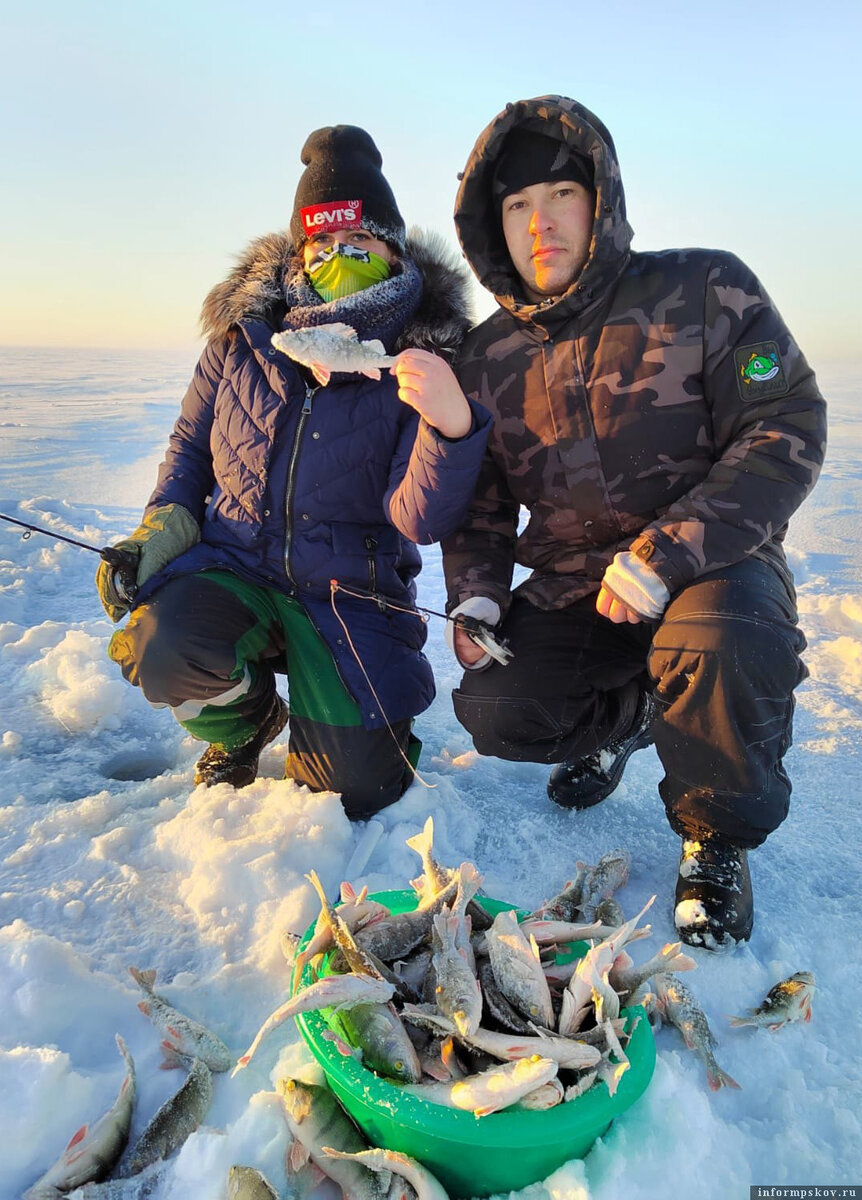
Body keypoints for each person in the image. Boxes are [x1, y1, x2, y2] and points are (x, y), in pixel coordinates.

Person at [442, 96, 826, 948]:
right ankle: (638, 721)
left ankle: (713, 840)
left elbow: (786, 423)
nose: (538, 223)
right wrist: (475, 597)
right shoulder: (486, 355)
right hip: (579, 583)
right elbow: (482, 502)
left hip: (713, 568)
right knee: (502, 708)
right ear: (490, 226)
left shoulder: (703, 287)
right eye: (515, 206)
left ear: (600, 199)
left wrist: (670, 550)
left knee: (717, 642)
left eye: (559, 197)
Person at [96, 125, 491, 820]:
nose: (338, 258)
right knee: (158, 648)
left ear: (392, 250)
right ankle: (246, 722)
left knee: (356, 794)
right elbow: (190, 450)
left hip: (350, 588)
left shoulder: (425, 353)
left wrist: (447, 427)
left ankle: (355, 731)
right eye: (322, 245)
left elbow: (418, 518)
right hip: (234, 565)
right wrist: (157, 531)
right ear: (299, 251)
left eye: (358, 244)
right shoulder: (243, 337)